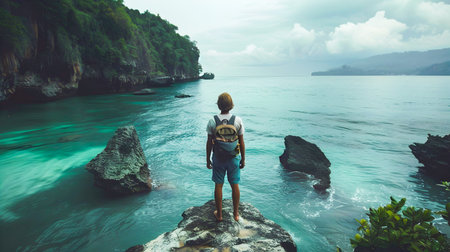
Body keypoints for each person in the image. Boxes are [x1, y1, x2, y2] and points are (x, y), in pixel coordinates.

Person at [206, 92, 245, 222]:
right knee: (235, 185)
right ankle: (236, 214)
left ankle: (220, 215)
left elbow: (208, 143)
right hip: (234, 158)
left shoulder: (212, 121)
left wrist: (207, 159)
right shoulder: (237, 120)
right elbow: (241, 142)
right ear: (231, 105)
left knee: (218, 185)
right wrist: (243, 159)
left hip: (218, 158)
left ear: (219, 105)